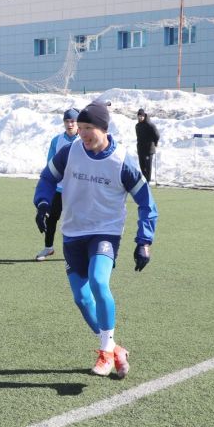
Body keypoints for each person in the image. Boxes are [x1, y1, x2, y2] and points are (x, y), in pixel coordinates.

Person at [33, 100, 157, 378]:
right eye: (81, 127)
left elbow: (147, 202)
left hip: (105, 232)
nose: (84, 133)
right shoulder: (70, 152)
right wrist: (42, 204)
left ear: (104, 128)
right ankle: (114, 348)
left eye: (90, 128)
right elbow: (47, 178)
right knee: (82, 299)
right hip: (73, 232)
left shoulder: (122, 161)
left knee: (99, 282)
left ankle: (105, 352)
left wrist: (144, 241)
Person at [36, 108, 80, 261]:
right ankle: (48, 248)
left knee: (76, 220)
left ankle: (78, 251)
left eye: (73, 121)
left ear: (78, 123)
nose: (70, 124)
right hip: (59, 188)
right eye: (67, 121)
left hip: (76, 189)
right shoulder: (56, 140)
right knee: (52, 218)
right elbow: (50, 163)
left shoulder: (83, 141)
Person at [135, 108, 160, 182]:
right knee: (142, 167)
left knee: (148, 168)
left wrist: (155, 143)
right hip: (141, 150)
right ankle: (144, 181)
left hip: (148, 150)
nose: (140, 118)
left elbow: (157, 135)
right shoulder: (137, 126)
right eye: (139, 116)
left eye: (141, 116)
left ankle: (147, 183)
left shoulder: (150, 125)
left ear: (144, 116)